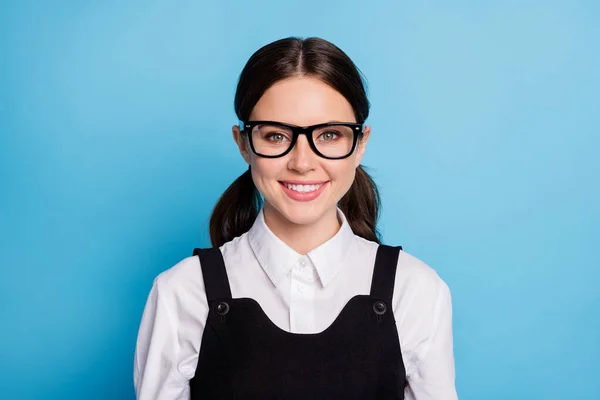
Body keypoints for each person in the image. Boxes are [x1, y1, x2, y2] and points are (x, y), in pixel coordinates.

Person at [134, 36, 458, 400]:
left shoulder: (414, 290)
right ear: (243, 143)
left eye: (330, 135)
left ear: (361, 142)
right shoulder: (182, 291)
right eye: (275, 136)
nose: (302, 163)